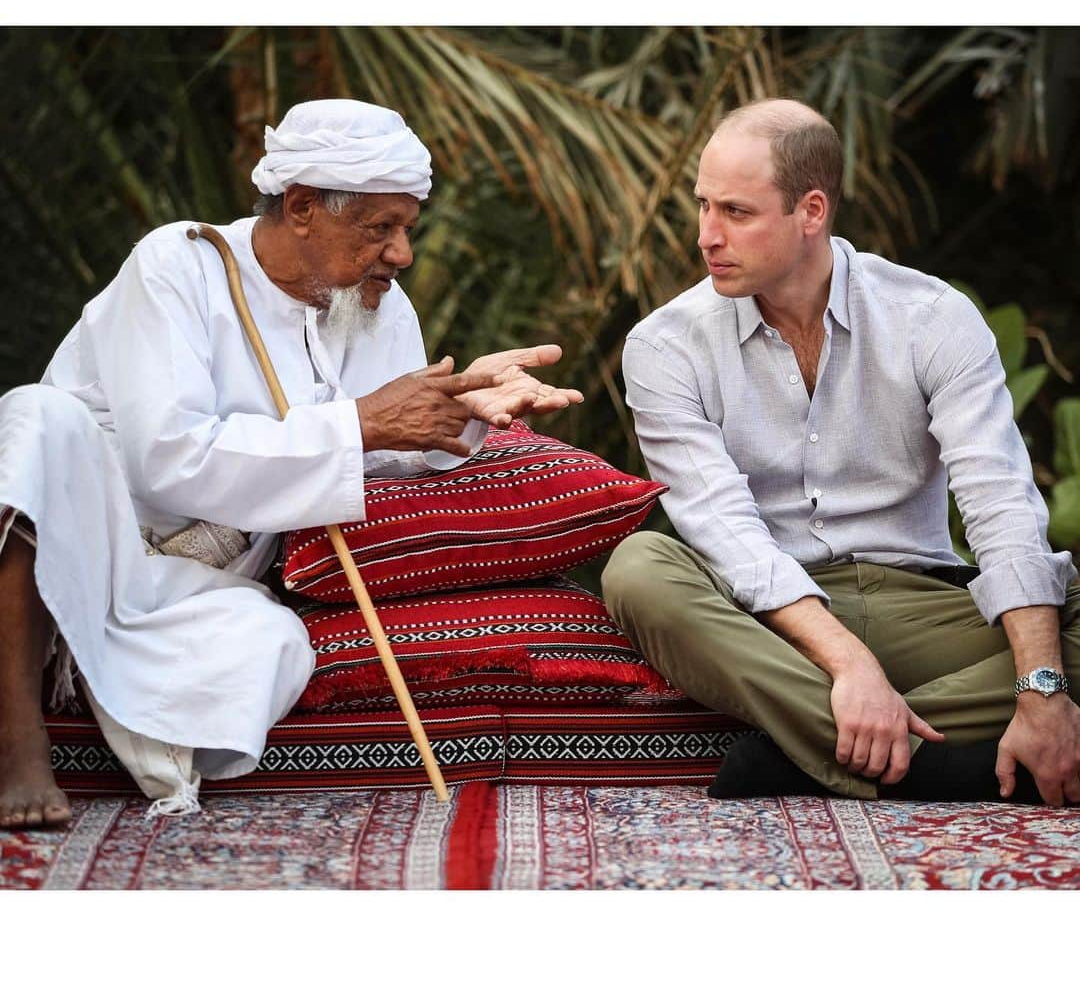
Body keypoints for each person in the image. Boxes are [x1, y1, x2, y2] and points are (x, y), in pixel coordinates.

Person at [0, 99, 583, 829]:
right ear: (303, 207)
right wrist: (360, 423)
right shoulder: (179, 265)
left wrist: (465, 406)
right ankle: (16, 735)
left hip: (206, 581)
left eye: (408, 229)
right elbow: (168, 459)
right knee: (35, 418)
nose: (401, 254)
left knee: (272, 647)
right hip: (88, 536)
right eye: (381, 228)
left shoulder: (379, 306)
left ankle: (102, 678)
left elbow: (381, 462)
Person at [602, 98, 1080, 807]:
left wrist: (1041, 691)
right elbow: (722, 529)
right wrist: (850, 663)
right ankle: (941, 766)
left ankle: (804, 754)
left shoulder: (932, 318)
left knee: (1052, 620)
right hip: (767, 619)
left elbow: (999, 500)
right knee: (638, 568)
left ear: (812, 212)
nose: (706, 235)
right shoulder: (664, 345)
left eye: (736, 212)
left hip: (920, 605)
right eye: (702, 205)